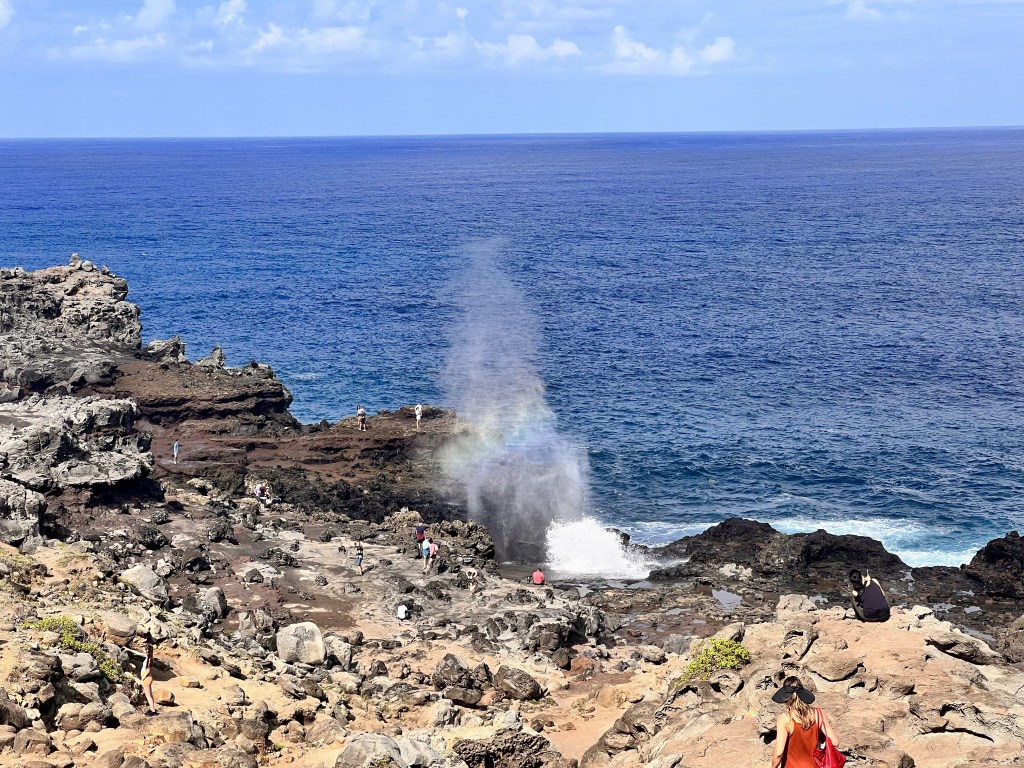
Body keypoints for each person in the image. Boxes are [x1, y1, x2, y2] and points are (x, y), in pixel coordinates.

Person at [770, 676, 839, 768]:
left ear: (786, 697)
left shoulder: (785, 719)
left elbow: (779, 753)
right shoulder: (818, 714)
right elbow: (835, 742)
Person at [140, 642, 157, 715]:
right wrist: (128, 649)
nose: (143, 649)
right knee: (150, 695)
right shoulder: (148, 657)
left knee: (148, 695)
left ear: (147, 650)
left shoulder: (149, 659)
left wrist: (142, 678)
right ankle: (153, 709)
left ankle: (152, 710)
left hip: (146, 678)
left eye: (145, 648)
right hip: (148, 678)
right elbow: (138, 653)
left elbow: (148, 670)